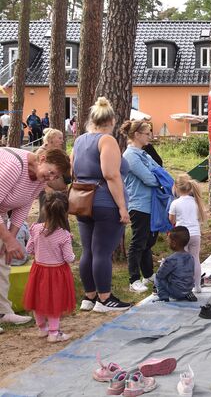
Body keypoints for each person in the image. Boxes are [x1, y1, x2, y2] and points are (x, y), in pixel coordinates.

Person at [0, 146, 70, 328]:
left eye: (56, 176)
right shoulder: (15, 166)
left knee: (2, 263)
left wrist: (12, 238)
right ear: (42, 158)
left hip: (2, 215)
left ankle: (3, 312)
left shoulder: (39, 177)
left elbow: (23, 207)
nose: (52, 178)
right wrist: (7, 239)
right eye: (52, 172)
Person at [73, 97, 131, 312]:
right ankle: (105, 299)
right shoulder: (107, 141)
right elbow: (111, 175)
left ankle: (89, 297)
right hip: (105, 203)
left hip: (82, 201)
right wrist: (122, 207)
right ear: (112, 120)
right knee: (102, 252)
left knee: (88, 251)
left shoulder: (79, 140)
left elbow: (73, 170)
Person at [22, 191, 75, 342]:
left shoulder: (36, 229)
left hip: (38, 270)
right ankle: (54, 333)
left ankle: (42, 329)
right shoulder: (64, 235)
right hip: (57, 273)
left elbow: (29, 250)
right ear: (65, 212)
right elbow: (69, 258)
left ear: (45, 208)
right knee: (54, 302)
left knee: (37, 301)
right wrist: (74, 256)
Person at [121, 120, 161, 294]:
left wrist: (159, 176)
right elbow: (150, 178)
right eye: (147, 133)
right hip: (139, 204)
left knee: (148, 241)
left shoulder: (144, 154)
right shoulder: (130, 155)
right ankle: (133, 279)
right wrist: (160, 178)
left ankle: (148, 274)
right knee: (138, 242)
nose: (149, 136)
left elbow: (159, 169)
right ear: (137, 135)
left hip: (151, 203)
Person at [169, 173, 208, 293]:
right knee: (195, 259)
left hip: (182, 235)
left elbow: (172, 220)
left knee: (182, 260)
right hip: (195, 233)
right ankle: (197, 286)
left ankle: (184, 286)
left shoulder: (175, 203)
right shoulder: (196, 202)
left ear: (176, 187)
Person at [154, 226, 196, 302]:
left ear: (173, 243)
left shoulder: (171, 260)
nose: (167, 241)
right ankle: (188, 294)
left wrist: (162, 265)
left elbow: (160, 275)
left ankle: (163, 297)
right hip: (188, 289)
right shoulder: (190, 257)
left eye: (168, 240)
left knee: (157, 277)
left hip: (176, 292)